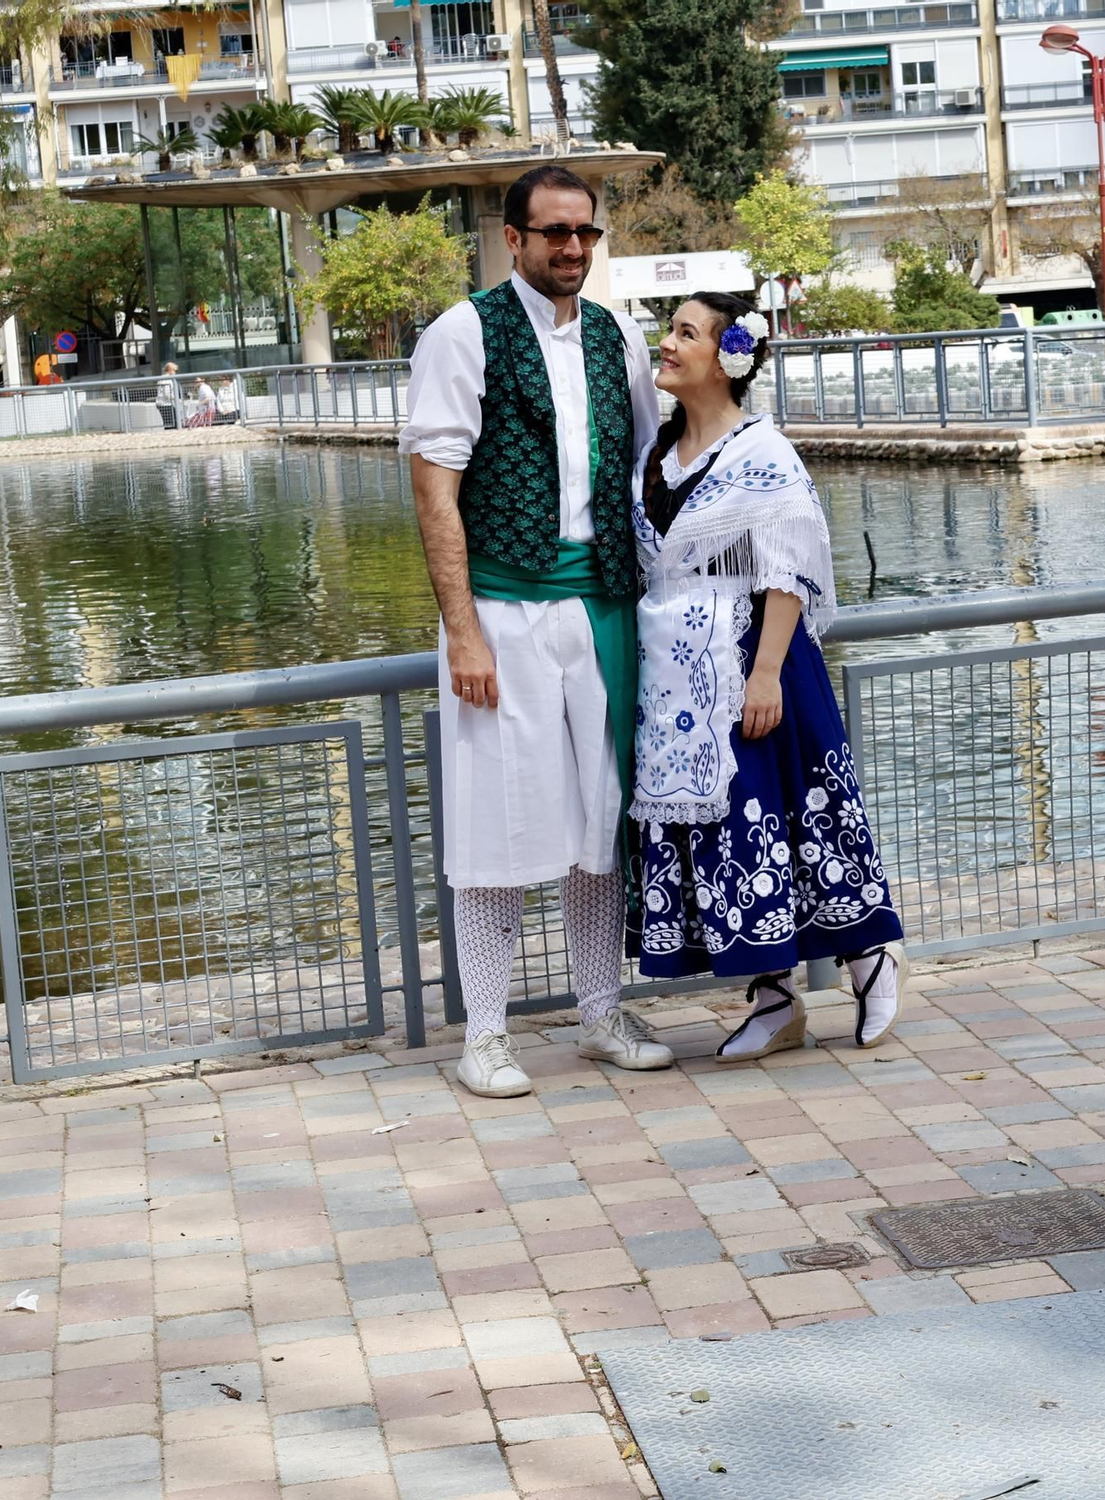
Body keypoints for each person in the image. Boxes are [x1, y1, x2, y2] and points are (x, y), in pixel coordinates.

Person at [399, 163, 672, 1095]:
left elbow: (643, 473)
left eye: (585, 233)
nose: (572, 248)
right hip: (501, 613)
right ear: (511, 239)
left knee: (600, 819)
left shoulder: (617, 338)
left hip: (601, 608)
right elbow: (433, 489)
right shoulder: (463, 332)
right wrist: (461, 631)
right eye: (553, 232)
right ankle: (484, 1035)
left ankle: (599, 1012)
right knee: (494, 827)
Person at [630, 292, 903, 1061]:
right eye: (672, 330)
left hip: (755, 656)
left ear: (727, 358)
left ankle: (871, 960)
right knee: (724, 832)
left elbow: (788, 566)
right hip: (678, 677)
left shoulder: (764, 453)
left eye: (686, 333)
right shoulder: (656, 453)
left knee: (791, 814)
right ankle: (776, 999)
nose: (670, 343)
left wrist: (769, 672)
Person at [155, 363, 181, 429]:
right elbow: (167, 394)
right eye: (175, 370)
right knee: (172, 423)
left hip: (164, 403)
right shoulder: (166, 379)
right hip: (165, 404)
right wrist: (176, 398)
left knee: (170, 422)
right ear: (170, 370)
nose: (176, 372)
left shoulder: (164, 378)